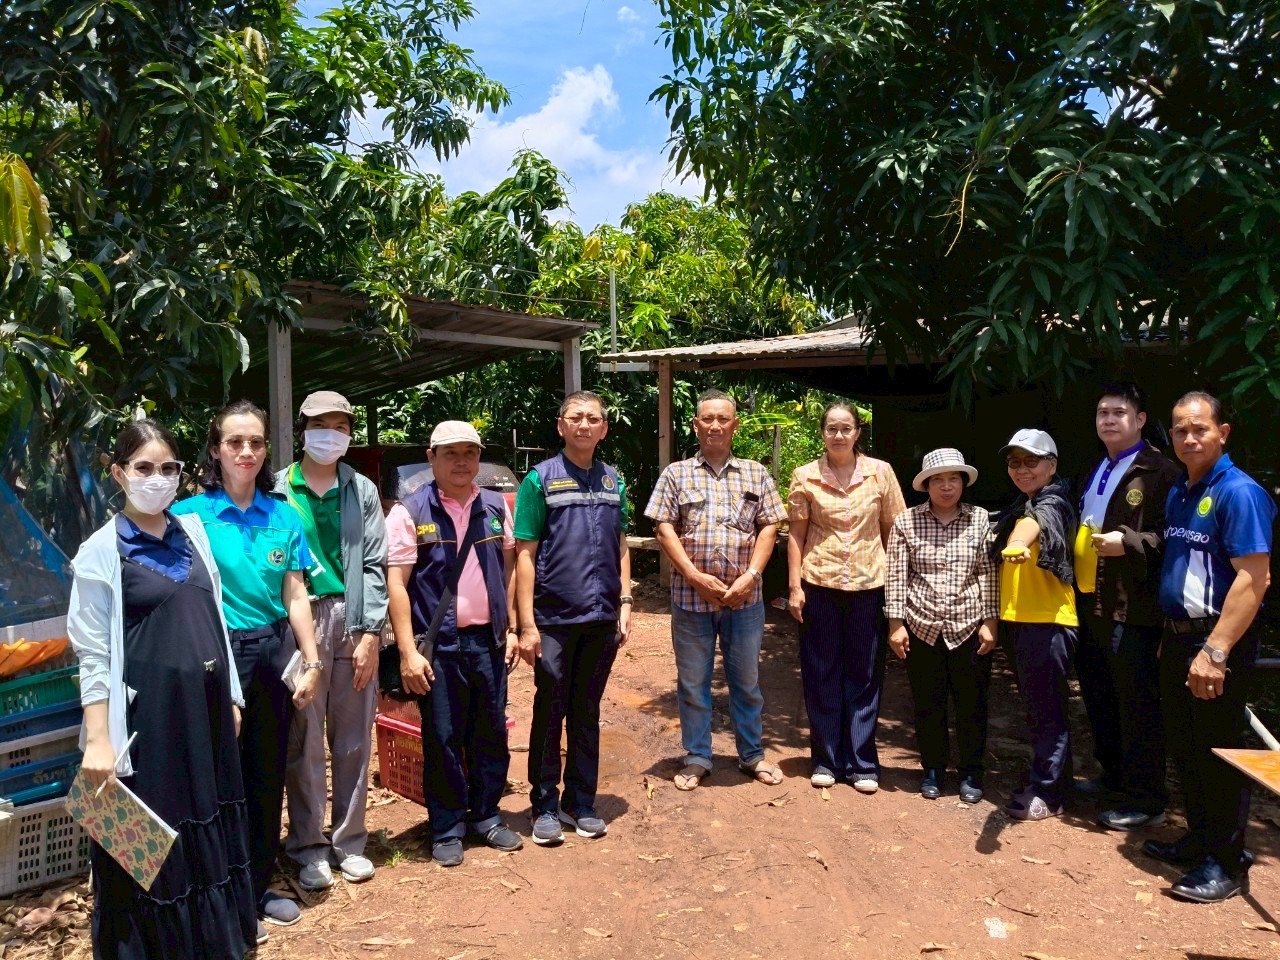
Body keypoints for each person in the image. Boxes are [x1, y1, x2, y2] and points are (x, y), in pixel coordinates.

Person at [69, 420, 258, 957]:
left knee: (208, 821)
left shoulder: (191, 533)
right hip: (148, 724)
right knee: (150, 843)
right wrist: (99, 738)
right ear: (118, 473)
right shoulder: (100, 552)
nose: (157, 478)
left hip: (205, 713)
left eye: (168, 468)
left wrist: (234, 693)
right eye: (144, 468)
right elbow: (93, 653)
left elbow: (216, 617)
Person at [172, 401, 322, 936]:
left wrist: (312, 657)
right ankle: (220, 894)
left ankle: (256, 887)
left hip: (272, 651)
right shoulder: (189, 517)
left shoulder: (283, 515)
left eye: (256, 442)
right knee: (216, 777)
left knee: (265, 773)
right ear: (216, 449)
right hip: (214, 653)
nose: (246, 451)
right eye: (235, 442)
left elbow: (296, 591)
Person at [1146, 391, 1274, 903]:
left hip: (1216, 644)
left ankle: (1226, 861)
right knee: (1187, 748)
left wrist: (1215, 651)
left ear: (1223, 432)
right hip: (1180, 640)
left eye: (1199, 428)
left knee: (1219, 754)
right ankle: (1201, 839)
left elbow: (1253, 578)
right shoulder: (1183, 488)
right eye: (1179, 429)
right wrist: (1171, 640)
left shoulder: (1239, 493)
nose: (1189, 437)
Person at [385, 421, 523, 866]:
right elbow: (397, 586)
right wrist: (407, 651)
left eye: (469, 452)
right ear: (431, 458)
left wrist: (516, 627)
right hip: (437, 647)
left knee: (490, 731)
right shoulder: (409, 512)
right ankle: (447, 826)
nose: (461, 461)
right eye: (450, 453)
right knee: (442, 736)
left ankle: (486, 817)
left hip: (488, 641)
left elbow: (510, 569)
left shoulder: (496, 505)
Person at [274, 391, 389, 891]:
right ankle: (307, 846)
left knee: (353, 738)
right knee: (303, 741)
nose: (332, 433)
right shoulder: (277, 490)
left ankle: (349, 841)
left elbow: (373, 562)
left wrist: (370, 633)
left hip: (354, 615)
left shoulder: (360, 488)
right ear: (303, 429)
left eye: (341, 425)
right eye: (322, 423)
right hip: (300, 618)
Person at [644, 389, 786, 790]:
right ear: (695, 425)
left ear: (735, 425)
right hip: (691, 599)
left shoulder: (756, 473)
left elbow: (770, 525)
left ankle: (752, 755)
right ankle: (697, 756)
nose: (715, 426)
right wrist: (692, 576)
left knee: (746, 681)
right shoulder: (676, 474)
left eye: (723, 419)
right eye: (707, 419)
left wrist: (752, 576)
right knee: (692, 682)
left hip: (745, 600)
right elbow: (663, 526)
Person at [514, 390, 632, 846]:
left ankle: (581, 802)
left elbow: (620, 543)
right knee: (550, 707)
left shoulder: (612, 479)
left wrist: (625, 603)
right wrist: (526, 624)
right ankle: (543, 804)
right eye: (575, 418)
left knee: (586, 710)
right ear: (561, 426)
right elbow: (525, 554)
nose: (584, 425)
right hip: (554, 618)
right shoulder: (539, 480)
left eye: (593, 419)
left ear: (603, 428)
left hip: (602, 616)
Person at [1072, 382, 1180, 830]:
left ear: (1139, 420)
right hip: (1091, 602)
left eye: (1119, 413)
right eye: (1102, 413)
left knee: (1137, 702)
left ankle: (1148, 797)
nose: (1109, 420)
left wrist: (1129, 543)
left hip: (1132, 607)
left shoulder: (1161, 472)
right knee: (1099, 695)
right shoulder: (1097, 466)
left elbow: (1174, 538)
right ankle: (1113, 776)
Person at [786, 402, 905, 793]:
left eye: (846, 428)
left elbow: (893, 532)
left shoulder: (881, 473)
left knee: (865, 672)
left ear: (857, 433)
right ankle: (825, 759)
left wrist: (898, 588)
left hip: (869, 586)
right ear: (822, 433)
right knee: (822, 672)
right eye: (831, 428)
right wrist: (794, 587)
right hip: (819, 584)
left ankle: (862, 762)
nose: (838, 434)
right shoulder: (805, 477)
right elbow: (797, 536)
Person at [885, 448, 998, 803]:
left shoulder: (980, 519)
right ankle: (932, 769)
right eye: (938, 480)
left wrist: (991, 622)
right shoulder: (906, 522)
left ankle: (971, 772)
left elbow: (988, 573)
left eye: (953, 479)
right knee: (927, 703)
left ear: (963, 483)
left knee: (971, 704)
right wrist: (895, 624)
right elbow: (897, 575)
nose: (946, 486)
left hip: (969, 625)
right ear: (926, 485)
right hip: (922, 625)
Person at [992, 428, 1079, 821]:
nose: (1021, 469)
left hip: (1047, 621)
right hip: (1024, 619)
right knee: (1040, 707)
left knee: (1047, 710)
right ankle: (1059, 783)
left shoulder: (1052, 500)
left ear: (1052, 466)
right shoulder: (1022, 502)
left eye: (1031, 461)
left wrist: (1017, 544)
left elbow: (1036, 523)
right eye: (1014, 462)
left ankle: (1047, 792)